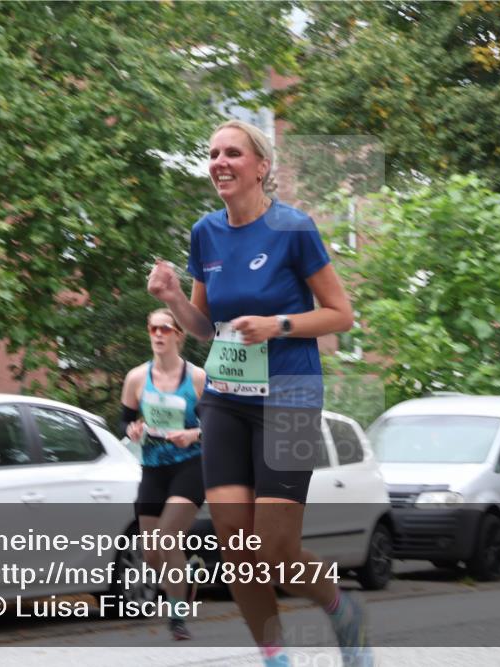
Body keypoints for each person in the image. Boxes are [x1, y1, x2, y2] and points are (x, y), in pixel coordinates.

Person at [147, 119, 370, 667]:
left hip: (290, 397)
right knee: (234, 546)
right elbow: (204, 326)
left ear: (261, 166)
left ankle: (340, 608)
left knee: (272, 553)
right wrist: (174, 297)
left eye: (233, 153)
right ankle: (275, 656)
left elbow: (340, 314)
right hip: (224, 398)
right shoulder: (206, 233)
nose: (219, 162)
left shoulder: (293, 228)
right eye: (213, 154)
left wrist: (280, 326)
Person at [120, 308, 207, 641]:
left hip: (190, 465)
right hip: (153, 467)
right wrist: (133, 430)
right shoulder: (137, 378)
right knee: (152, 551)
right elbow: (125, 420)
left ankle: (177, 618)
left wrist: (193, 435)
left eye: (165, 329)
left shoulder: (197, 378)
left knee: (168, 535)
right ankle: (188, 574)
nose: (158, 334)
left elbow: (217, 422)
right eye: (153, 328)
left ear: (178, 335)